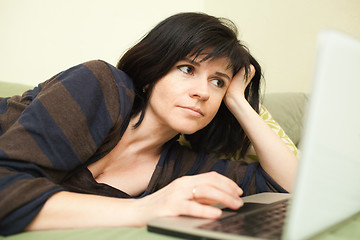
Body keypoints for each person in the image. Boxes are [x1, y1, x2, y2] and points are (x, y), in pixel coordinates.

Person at [0, 12, 298, 235]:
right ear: (152, 71)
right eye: (186, 68)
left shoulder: (181, 168)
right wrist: (145, 208)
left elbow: (289, 189)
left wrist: (238, 101)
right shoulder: (100, 86)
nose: (203, 92)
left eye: (217, 81)